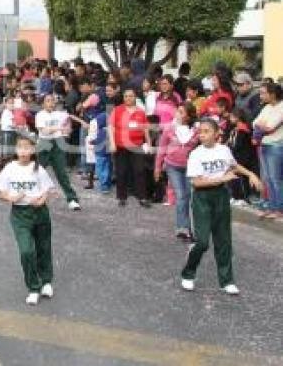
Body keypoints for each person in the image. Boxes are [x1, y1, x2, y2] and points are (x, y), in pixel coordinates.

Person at [180, 119, 261, 295]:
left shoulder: (224, 150)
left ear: (217, 134)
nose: (202, 134)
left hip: (221, 197)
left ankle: (226, 281)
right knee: (201, 242)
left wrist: (250, 174)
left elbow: (233, 165)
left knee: (223, 240)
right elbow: (196, 182)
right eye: (200, 131)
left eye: (207, 131)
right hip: (202, 198)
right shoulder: (196, 154)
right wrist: (221, 179)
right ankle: (188, 274)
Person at [0, 136, 56, 306]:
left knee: (43, 247)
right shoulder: (9, 169)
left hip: (40, 212)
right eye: (20, 147)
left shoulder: (38, 169)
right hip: (20, 214)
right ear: (16, 150)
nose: (23, 151)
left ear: (32, 150)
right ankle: (33, 288)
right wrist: (10, 197)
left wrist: (42, 200)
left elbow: (48, 190)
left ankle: (46, 282)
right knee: (26, 251)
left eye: (27, 148)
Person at [154, 103, 199, 240]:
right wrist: (157, 167)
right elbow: (161, 149)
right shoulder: (170, 128)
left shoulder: (197, 130)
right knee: (181, 196)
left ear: (189, 116)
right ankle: (182, 228)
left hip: (191, 167)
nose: (177, 114)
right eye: (177, 111)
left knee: (191, 196)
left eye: (181, 112)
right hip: (173, 166)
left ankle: (193, 228)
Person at [35, 94, 80, 211]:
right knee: (38, 172)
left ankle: (72, 199)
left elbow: (70, 116)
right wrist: (60, 129)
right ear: (43, 104)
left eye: (52, 101)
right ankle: (33, 196)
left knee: (62, 173)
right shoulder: (40, 115)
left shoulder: (59, 114)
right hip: (44, 144)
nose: (51, 103)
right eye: (48, 101)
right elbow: (44, 130)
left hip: (57, 144)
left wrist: (83, 123)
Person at [109, 88, 153, 208]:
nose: (128, 98)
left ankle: (142, 197)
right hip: (121, 146)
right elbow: (111, 127)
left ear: (135, 98)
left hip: (137, 146)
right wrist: (112, 143)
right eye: (126, 96)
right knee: (121, 172)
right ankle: (122, 197)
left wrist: (149, 144)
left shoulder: (140, 112)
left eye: (131, 96)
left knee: (139, 171)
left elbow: (145, 129)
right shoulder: (117, 110)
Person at [254, 82, 283, 219]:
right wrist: (262, 125)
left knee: (275, 179)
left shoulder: (281, 107)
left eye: (263, 93)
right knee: (267, 179)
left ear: (273, 94)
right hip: (265, 145)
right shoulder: (266, 107)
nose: (261, 95)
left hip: (276, 145)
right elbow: (255, 122)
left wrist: (262, 125)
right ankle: (271, 207)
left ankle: (279, 209)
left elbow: (270, 127)